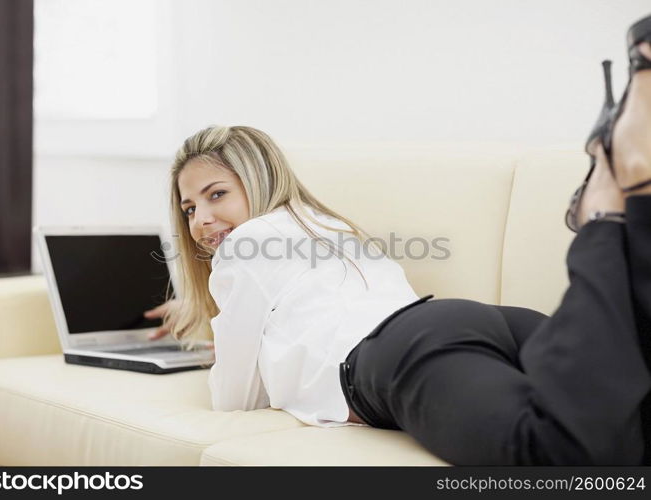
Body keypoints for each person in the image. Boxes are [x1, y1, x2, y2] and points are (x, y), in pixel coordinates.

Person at [144, 15, 651, 465]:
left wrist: (223, 336)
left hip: (397, 354)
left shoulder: (246, 245)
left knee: (557, 457)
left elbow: (234, 399)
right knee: (634, 412)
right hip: (469, 320)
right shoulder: (326, 225)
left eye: (216, 195)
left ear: (257, 182)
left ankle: (607, 203)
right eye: (189, 208)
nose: (202, 220)